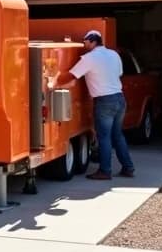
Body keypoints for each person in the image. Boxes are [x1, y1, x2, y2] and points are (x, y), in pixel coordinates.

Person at [50, 30, 134, 180]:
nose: (84, 44)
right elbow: (119, 73)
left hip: (104, 101)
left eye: (86, 41)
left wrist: (53, 79)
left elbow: (71, 75)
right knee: (118, 135)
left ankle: (105, 171)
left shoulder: (89, 58)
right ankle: (128, 167)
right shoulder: (114, 55)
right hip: (119, 98)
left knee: (104, 137)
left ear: (93, 41)